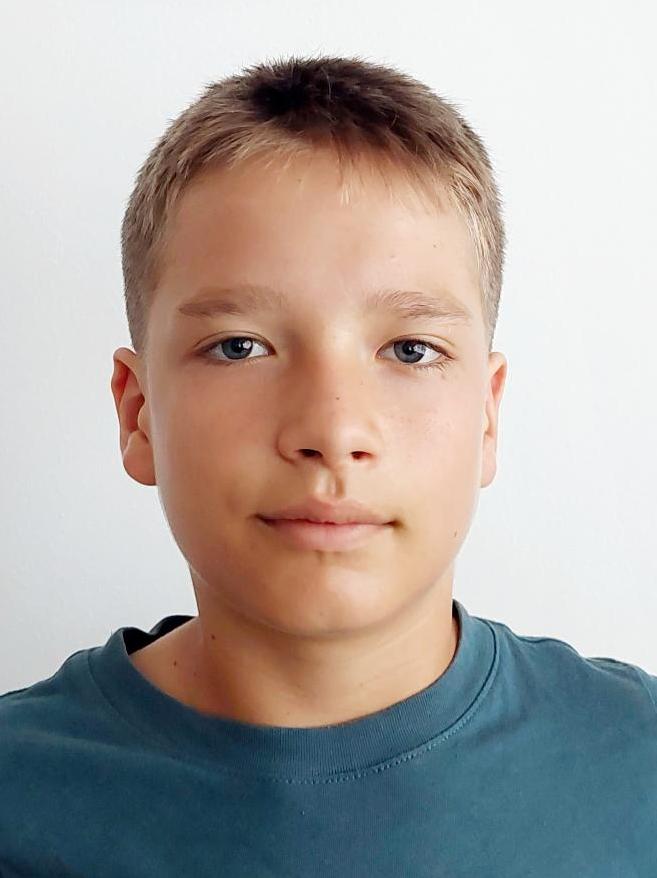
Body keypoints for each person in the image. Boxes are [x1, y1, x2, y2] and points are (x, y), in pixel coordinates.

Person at [2, 54, 656, 876]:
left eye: (410, 349)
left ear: (487, 417)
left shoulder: (636, 766)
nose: (333, 430)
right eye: (239, 347)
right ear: (138, 415)